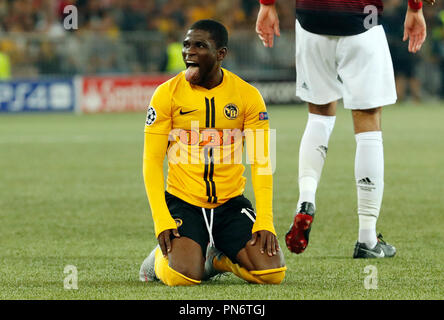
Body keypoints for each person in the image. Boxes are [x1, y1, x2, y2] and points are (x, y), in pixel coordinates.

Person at [256, 0, 431, 258]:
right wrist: (415, 7)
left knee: (318, 117)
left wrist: (266, 5)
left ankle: (306, 198)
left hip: (311, 18)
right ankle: (367, 238)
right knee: (368, 125)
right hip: (361, 19)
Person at [139, 19, 286, 286]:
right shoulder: (165, 95)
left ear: (221, 54)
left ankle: (216, 258)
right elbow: (151, 161)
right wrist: (161, 219)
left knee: (272, 274)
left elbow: (261, 162)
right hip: (183, 202)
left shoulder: (247, 96)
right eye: (186, 45)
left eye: (199, 45)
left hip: (230, 204)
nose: (189, 52)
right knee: (181, 277)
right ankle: (157, 261)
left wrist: (265, 219)